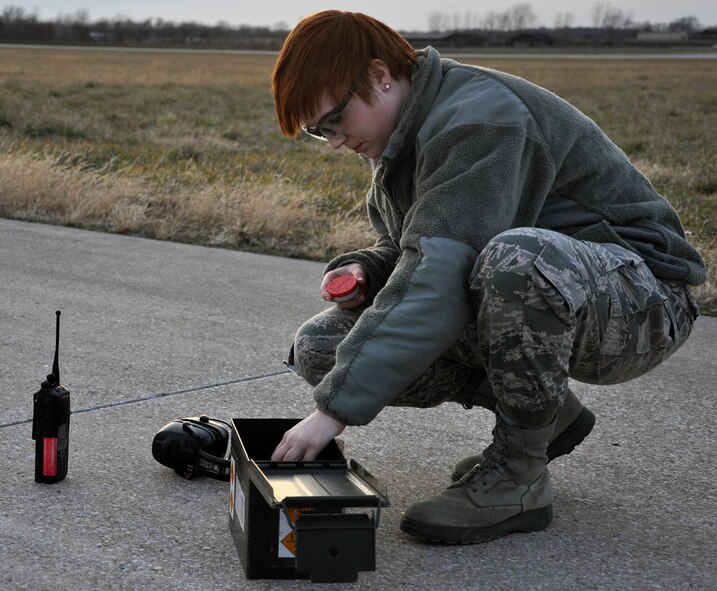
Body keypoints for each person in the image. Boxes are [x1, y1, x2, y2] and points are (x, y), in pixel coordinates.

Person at [269, 10, 705, 544]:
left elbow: (442, 272)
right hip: (556, 288)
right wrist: (371, 267)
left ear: (380, 74)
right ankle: (549, 415)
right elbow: (414, 247)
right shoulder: (403, 139)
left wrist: (332, 413)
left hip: (644, 299)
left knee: (518, 260)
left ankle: (520, 477)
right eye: (319, 133)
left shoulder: (477, 119)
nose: (335, 140)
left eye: (335, 119)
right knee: (323, 346)